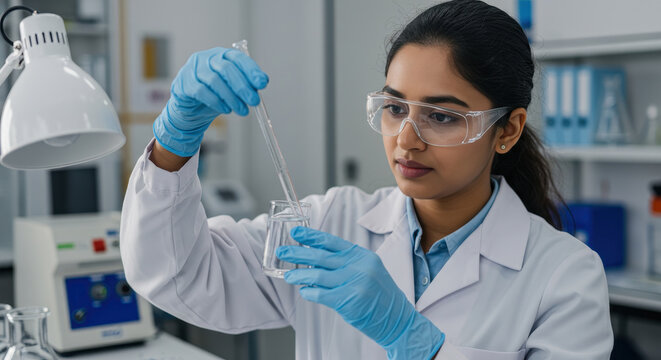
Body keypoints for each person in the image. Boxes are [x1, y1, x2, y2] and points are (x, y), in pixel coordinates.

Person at [120, 1, 613, 359]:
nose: (406, 140)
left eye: (442, 116)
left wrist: (417, 343)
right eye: (395, 108)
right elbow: (178, 276)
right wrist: (175, 140)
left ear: (506, 130)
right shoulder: (330, 223)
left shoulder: (565, 276)